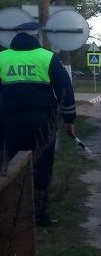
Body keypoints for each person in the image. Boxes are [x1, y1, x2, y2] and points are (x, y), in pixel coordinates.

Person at [0, 20, 76, 226]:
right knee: (42, 166)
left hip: (10, 122)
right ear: (35, 36)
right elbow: (65, 91)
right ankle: (39, 215)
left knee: (11, 166)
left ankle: (13, 213)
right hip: (42, 122)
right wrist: (69, 120)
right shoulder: (48, 57)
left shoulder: (2, 58)